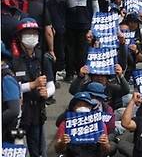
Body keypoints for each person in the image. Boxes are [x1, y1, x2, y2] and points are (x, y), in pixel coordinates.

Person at [10, 17, 55, 157]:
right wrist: (32, 85)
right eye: (27, 33)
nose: (31, 37)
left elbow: (51, 84)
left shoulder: (43, 57)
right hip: (17, 115)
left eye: (34, 33)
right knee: (16, 150)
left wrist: (47, 92)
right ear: (19, 36)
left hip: (37, 113)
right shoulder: (12, 60)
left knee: (39, 152)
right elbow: (8, 89)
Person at [54, 92, 113, 157]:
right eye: (79, 105)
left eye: (86, 105)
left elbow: (107, 151)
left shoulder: (100, 124)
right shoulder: (65, 124)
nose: (83, 107)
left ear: (90, 108)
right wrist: (62, 143)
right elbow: (58, 149)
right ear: (73, 107)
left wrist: (105, 144)